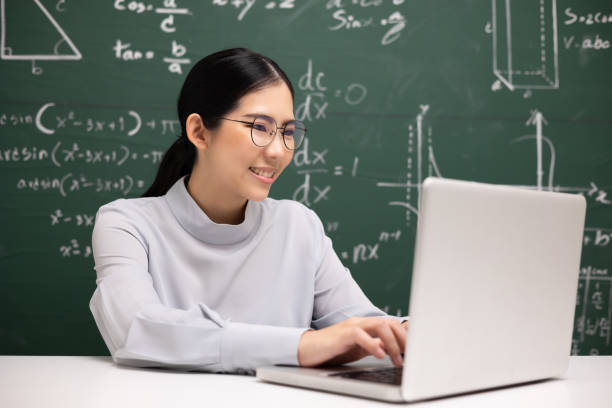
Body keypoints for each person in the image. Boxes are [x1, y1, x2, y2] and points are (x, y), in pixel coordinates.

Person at [89, 48, 408, 373]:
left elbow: (364, 326)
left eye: (286, 132)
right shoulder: (127, 224)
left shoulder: (298, 225)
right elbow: (136, 330)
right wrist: (303, 345)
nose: (277, 151)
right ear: (199, 131)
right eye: (259, 127)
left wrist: (411, 334)